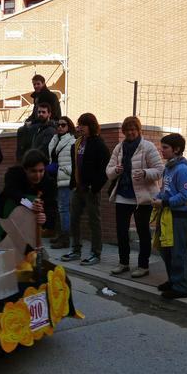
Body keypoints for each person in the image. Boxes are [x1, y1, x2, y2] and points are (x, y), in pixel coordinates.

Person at [106, 116, 164, 277]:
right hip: (123, 195)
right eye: (127, 130)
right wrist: (115, 170)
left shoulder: (148, 147)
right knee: (121, 232)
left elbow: (160, 170)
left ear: (139, 130)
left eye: (133, 129)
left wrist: (145, 173)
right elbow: (109, 171)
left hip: (143, 197)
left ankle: (143, 266)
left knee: (143, 232)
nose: (130, 133)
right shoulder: (119, 147)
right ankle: (123, 263)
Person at [152, 133, 187, 300]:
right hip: (167, 214)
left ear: (176, 149)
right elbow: (165, 190)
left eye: (165, 148)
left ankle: (180, 287)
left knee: (178, 251)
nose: (161, 150)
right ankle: (173, 280)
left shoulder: (183, 170)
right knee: (165, 249)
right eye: (161, 147)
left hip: (179, 216)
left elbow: (185, 196)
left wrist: (164, 203)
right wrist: (157, 198)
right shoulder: (168, 168)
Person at [61, 113, 110, 266]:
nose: (80, 127)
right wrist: (73, 184)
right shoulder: (77, 143)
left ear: (91, 126)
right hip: (78, 188)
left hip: (91, 190)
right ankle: (76, 250)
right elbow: (75, 166)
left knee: (94, 221)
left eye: (84, 125)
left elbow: (105, 169)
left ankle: (96, 253)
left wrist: (94, 187)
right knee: (74, 219)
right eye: (79, 124)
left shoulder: (99, 144)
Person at [0, 149, 57, 242]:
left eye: (41, 171)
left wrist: (45, 217)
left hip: (28, 228)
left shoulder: (48, 183)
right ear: (25, 169)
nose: (38, 176)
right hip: (6, 216)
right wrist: (30, 204)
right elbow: (11, 192)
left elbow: (50, 205)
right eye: (33, 171)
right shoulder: (13, 175)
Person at [47, 116, 77, 249]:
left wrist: (63, 169)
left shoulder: (72, 141)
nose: (60, 127)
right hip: (56, 178)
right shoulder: (55, 140)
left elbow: (74, 163)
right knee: (60, 208)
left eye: (63, 125)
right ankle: (60, 234)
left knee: (64, 209)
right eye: (58, 125)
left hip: (65, 179)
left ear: (69, 126)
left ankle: (65, 239)